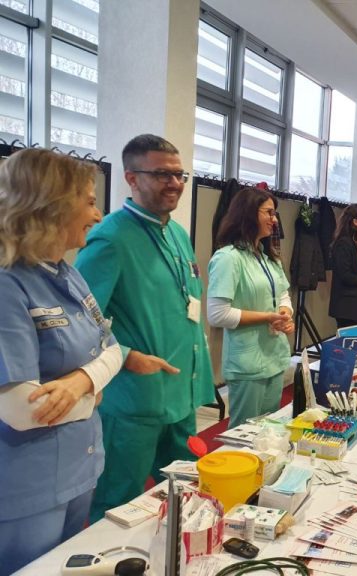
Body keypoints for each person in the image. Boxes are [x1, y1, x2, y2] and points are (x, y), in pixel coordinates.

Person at [75, 134, 214, 522]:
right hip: (135, 401)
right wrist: (127, 355)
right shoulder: (110, 238)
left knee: (184, 492)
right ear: (131, 178)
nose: (175, 183)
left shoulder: (177, 234)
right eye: (162, 175)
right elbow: (80, 318)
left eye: (180, 174)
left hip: (181, 394)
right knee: (118, 502)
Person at [0, 149, 123, 573]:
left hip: (78, 466)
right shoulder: (8, 284)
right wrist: (94, 392)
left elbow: (114, 349)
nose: (98, 214)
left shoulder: (66, 273)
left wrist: (79, 383)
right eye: (89, 201)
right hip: (26, 485)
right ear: (50, 206)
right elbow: (22, 411)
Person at [207, 188, 294, 428]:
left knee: (269, 431)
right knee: (243, 434)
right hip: (247, 363)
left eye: (275, 214)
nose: (275, 220)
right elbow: (217, 314)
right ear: (248, 213)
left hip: (274, 357)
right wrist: (267, 317)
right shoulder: (228, 258)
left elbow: (283, 294)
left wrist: (285, 314)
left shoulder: (268, 257)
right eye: (269, 213)